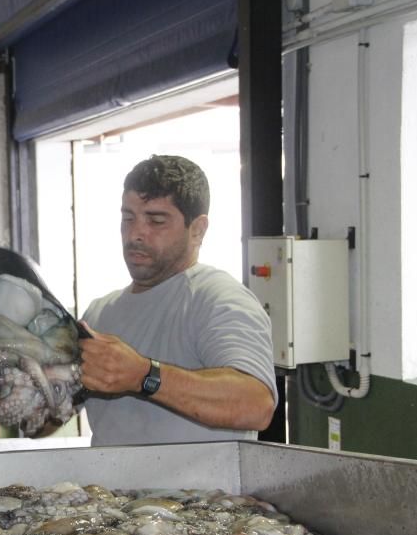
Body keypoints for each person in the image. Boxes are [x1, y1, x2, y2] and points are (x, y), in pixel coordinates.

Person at [78, 154, 277, 446]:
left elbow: (255, 405)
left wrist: (144, 375)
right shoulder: (98, 314)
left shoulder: (219, 299)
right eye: (128, 218)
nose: (136, 234)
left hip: (201, 493)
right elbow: (44, 421)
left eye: (156, 220)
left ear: (198, 230)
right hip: (109, 492)